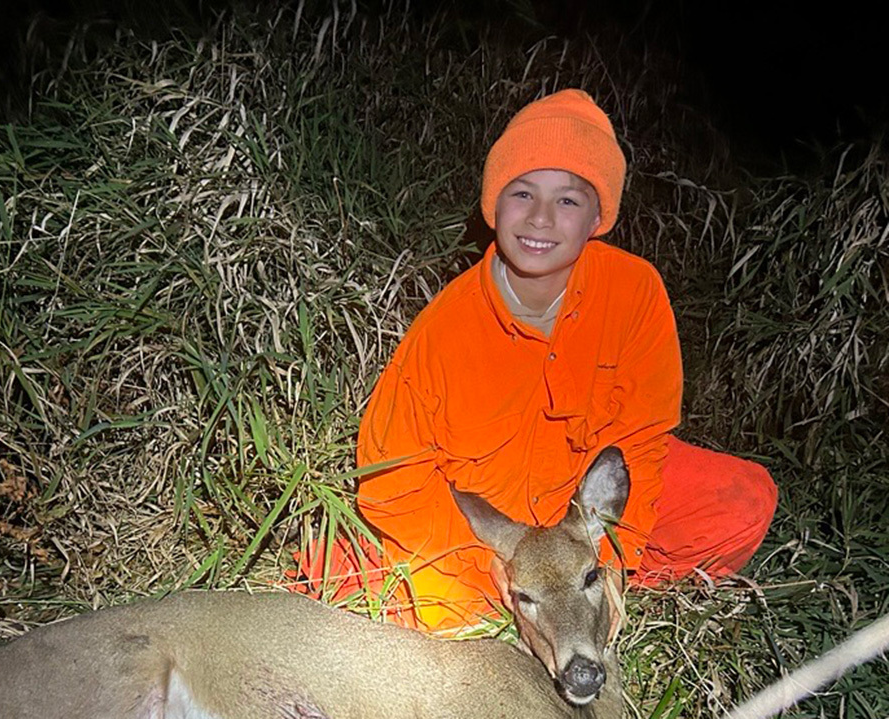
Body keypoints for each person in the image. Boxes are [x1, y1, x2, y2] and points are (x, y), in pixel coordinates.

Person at [299, 89, 777, 632]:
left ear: (598, 215)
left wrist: (616, 566)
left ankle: (584, 598)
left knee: (742, 504)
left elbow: (641, 446)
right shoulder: (445, 329)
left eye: (569, 200)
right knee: (328, 573)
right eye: (522, 193)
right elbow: (392, 483)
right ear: (493, 206)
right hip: (482, 537)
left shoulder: (633, 292)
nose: (541, 219)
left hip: (586, 519)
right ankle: (535, 603)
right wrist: (488, 568)